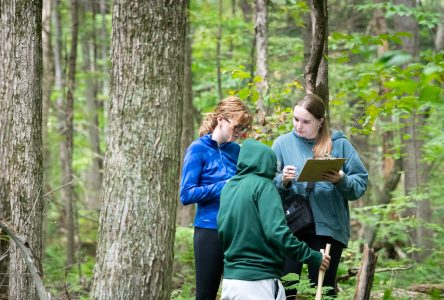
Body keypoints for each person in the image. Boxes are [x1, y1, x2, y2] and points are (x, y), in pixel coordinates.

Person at [272, 93, 368, 297]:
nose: (299, 126)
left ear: (320, 121)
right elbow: (266, 186)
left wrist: (341, 179)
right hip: (292, 227)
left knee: (323, 290)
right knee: (286, 289)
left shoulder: (339, 143)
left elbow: (359, 184)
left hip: (327, 228)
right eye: (296, 119)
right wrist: (283, 180)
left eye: (306, 122)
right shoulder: (281, 144)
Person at [217, 139, 330, 300]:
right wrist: (312, 256)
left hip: (230, 281)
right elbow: (276, 232)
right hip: (258, 282)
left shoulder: (229, 188)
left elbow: (221, 230)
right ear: (267, 162)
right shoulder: (264, 186)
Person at [180, 96, 253, 300]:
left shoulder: (237, 151)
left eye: (243, 129)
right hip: (209, 230)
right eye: (237, 127)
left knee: (238, 293)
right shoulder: (198, 148)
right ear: (221, 119)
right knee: (206, 294)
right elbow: (186, 194)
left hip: (238, 230)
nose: (240, 133)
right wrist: (223, 187)